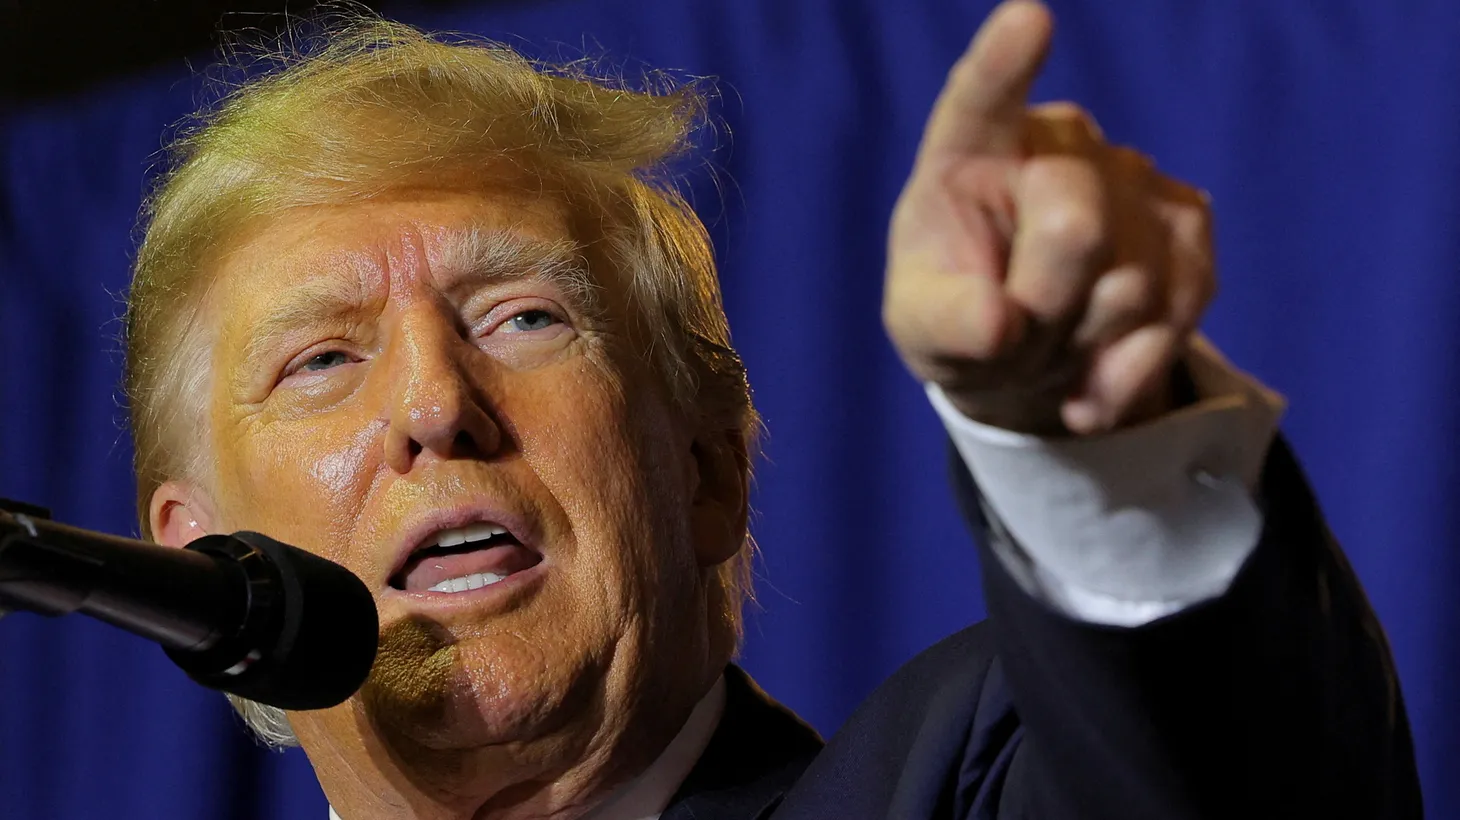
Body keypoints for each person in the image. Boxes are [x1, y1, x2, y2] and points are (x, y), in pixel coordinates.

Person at [122, 1, 1420, 817]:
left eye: (523, 318)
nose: (436, 406)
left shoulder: (974, 779)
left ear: (706, 474)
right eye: (322, 362)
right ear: (200, 562)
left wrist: (1088, 426)